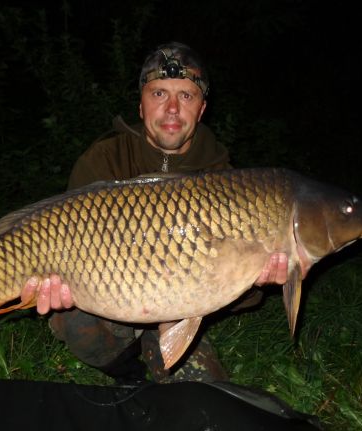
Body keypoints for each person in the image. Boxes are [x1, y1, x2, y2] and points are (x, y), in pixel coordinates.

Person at [19, 41, 289, 383]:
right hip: (114, 297)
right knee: (74, 318)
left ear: (202, 109)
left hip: (184, 307)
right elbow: (65, 239)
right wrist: (54, 284)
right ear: (142, 105)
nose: (172, 108)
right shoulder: (103, 160)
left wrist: (256, 280)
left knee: (203, 397)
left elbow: (238, 297)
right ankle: (129, 371)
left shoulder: (225, 180)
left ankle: (159, 350)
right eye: (159, 94)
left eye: (186, 96)